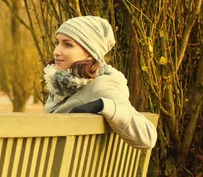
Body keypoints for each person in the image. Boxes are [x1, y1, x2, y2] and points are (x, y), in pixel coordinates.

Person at [43, 15, 157, 150]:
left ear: (90, 53)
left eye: (68, 45)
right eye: (57, 43)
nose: (56, 52)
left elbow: (148, 138)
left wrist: (103, 105)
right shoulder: (65, 87)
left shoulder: (101, 85)